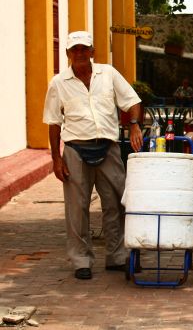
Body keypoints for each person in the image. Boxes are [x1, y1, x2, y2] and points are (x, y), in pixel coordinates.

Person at [42, 31, 143, 280]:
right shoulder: (58, 83)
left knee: (116, 202)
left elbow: (132, 100)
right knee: (77, 208)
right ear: (67, 53)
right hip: (75, 149)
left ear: (92, 51)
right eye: (74, 49)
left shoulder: (107, 74)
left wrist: (134, 125)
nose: (79, 53)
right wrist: (56, 158)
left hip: (107, 147)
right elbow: (54, 123)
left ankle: (117, 256)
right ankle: (81, 260)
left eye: (83, 49)